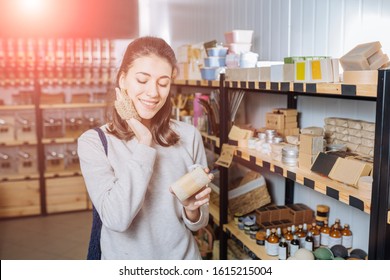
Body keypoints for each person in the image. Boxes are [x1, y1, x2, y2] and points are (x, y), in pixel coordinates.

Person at [77, 36, 212, 260]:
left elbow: (199, 223)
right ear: (122, 80)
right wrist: (144, 140)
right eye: (142, 80)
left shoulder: (189, 136)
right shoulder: (94, 143)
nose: (153, 93)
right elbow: (117, 219)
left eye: (163, 83)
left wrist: (192, 209)